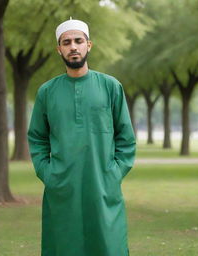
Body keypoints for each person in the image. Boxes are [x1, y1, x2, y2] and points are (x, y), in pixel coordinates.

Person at [28, 18, 136, 256]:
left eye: (79, 41)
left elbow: (126, 138)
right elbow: (37, 138)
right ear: (59, 49)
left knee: (109, 245)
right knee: (64, 247)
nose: (73, 47)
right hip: (62, 186)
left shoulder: (110, 86)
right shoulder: (47, 92)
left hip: (102, 185)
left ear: (89, 45)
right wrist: (48, 173)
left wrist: (114, 173)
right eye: (67, 42)